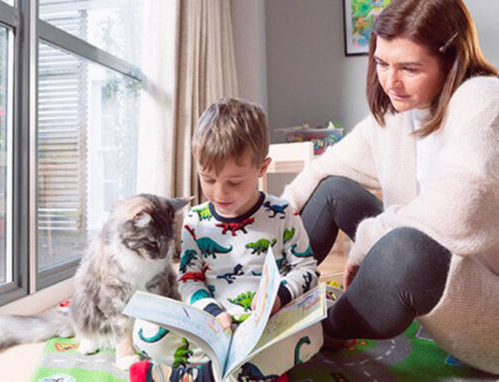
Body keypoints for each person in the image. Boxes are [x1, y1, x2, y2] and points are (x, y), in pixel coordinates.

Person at [282, 0, 499, 375]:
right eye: (382, 63)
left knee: (403, 248)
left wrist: (368, 240)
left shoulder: (484, 100)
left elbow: (458, 214)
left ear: (451, 61)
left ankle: (323, 330)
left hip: (485, 303)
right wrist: (259, 224)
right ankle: (264, 304)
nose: (390, 81)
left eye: (409, 68)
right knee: (333, 188)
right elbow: (321, 172)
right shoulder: (399, 115)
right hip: (438, 283)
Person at [130, 98, 323, 382]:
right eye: (208, 179)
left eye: (234, 182)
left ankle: (188, 376)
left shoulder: (283, 213)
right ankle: (247, 374)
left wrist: (279, 299)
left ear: (262, 168)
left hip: (265, 322)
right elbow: (189, 279)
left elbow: (306, 269)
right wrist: (209, 310)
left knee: (311, 333)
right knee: (144, 331)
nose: (220, 193)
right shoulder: (195, 220)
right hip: (211, 322)